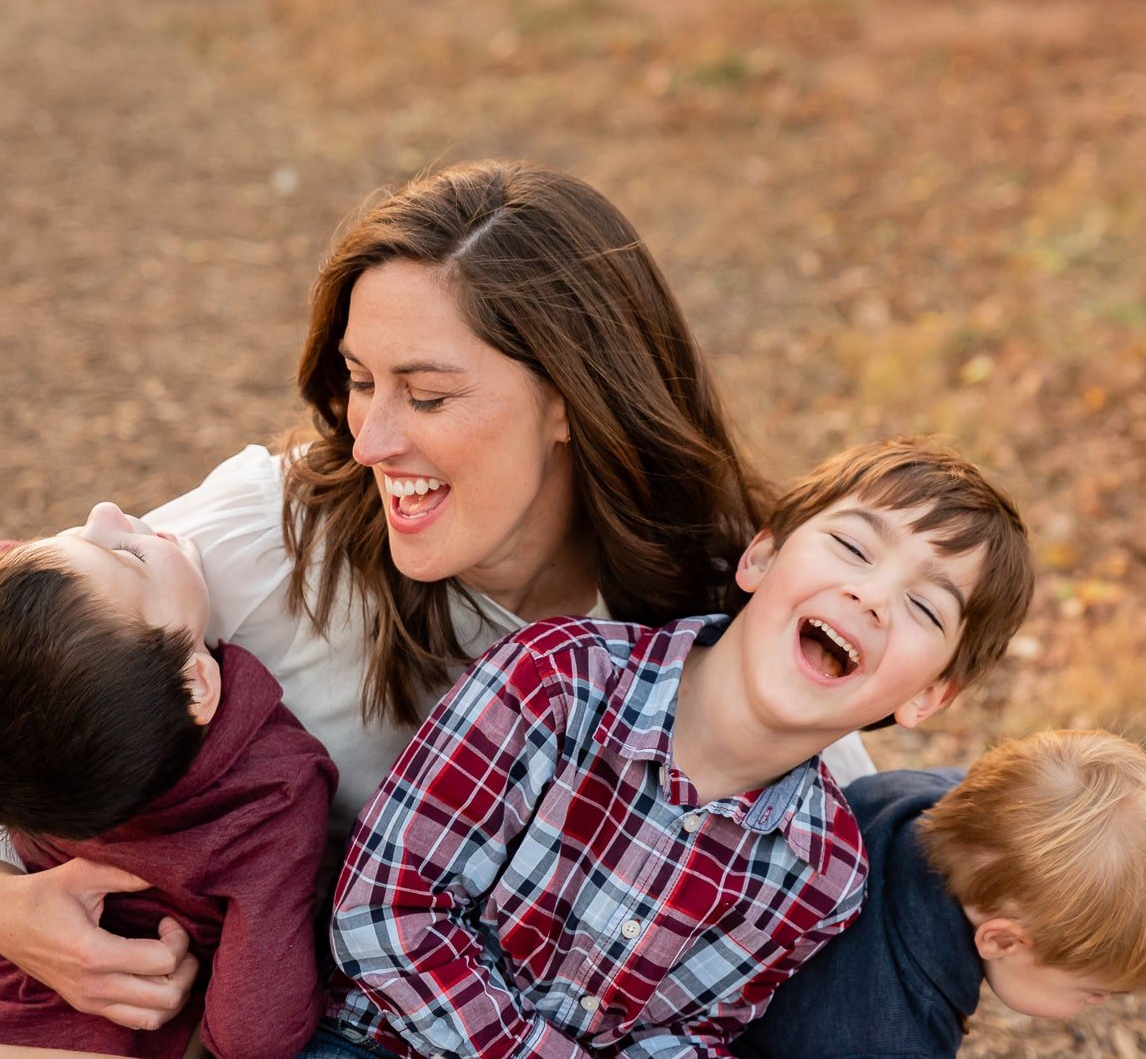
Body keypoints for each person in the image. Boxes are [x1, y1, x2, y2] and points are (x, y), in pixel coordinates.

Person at [0, 159, 877, 1031]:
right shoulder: (272, 531)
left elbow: (847, 876)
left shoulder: (723, 618)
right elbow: (7, 717)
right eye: (361, 381)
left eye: (428, 394)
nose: (368, 442)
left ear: (571, 400)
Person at [309, 435, 1036, 1058]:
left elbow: (689, 1031)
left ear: (927, 696)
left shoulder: (824, 873)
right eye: (852, 547)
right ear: (761, 557)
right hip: (379, 1039)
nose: (872, 598)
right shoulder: (555, 679)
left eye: (922, 607)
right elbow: (385, 912)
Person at [0, 504, 336, 1059]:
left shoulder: (36, 751)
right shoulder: (273, 793)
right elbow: (252, 1034)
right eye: (129, 554)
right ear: (194, 685)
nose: (105, 511)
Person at [732, 730, 1146, 1059]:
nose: (1099, 1001)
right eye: (1093, 991)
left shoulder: (937, 798)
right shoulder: (891, 1037)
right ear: (1002, 941)